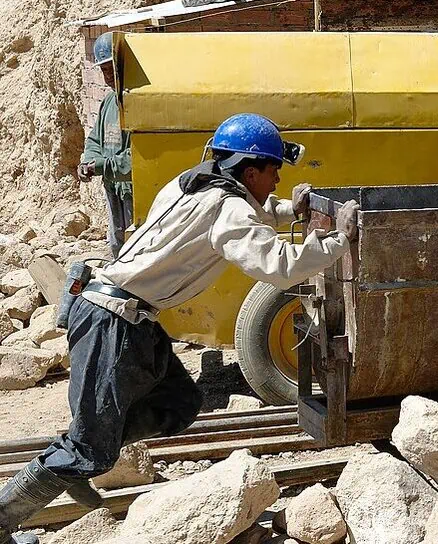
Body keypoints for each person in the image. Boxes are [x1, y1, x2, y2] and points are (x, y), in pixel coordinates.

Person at [0, 113, 361, 544]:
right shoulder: (228, 209)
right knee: (89, 451)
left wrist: (288, 210)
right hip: (111, 320)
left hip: (125, 315)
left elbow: (248, 213)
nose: (277, 179)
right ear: (250, 171)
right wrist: (337, 240)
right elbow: (277, 265)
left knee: (181, 402)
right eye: (273, 171)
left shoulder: (190, 183)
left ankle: (89, 446)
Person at [78, 32, 133, 258]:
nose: (107, 76)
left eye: (111, 68)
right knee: (117, 245)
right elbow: (95, 139)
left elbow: (138, 156)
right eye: (103, 70)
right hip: (113, 188)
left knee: (137, 246)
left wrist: (101, 166)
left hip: (133, 191)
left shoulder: (138, 101)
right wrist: (88, 160)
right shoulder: (110, 100)